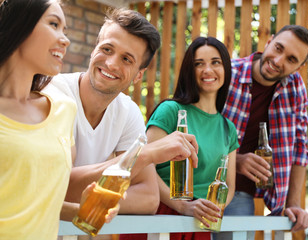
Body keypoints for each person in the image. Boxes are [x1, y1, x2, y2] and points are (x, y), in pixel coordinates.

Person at [42, 7, 199, 222]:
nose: (111, 63)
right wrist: (144, 155)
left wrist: (87, 198)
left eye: (127, 59)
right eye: (107, 49)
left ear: (138, 75)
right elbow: (50, 186)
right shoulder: (54, 93)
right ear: (93, 49)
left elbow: (148, 198)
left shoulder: (128, 112)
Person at [0, 0, 118, 239]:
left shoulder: (63, 110)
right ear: (19, 25)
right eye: (53, 24)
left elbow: (35, 201)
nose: (65, 40)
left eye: (65, 30)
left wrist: (81, 210)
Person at [121, 37, 239, 240]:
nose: (207, 70)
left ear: (226, 69)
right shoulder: (171, 111)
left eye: (215, 62)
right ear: (189, 71)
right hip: (160, 216)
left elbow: (229, 186)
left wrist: (212, 209)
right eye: (198, 64)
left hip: (198, 223)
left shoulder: (228, 128)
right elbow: (142, 167)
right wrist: (182, 205)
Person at [214, 25, 308, 240]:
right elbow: (196, 130)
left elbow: (299, 147)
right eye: (278, 48)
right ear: (268, 42)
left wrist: (293, 204)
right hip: (201, 185)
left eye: (291, 59)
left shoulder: (295, 88)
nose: (278, 61)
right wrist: (236, 161)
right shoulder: (227, 73)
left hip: (239, 193)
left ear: (299, 67)